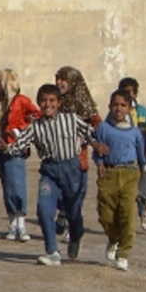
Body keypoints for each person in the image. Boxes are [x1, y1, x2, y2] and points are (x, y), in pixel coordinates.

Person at [2, 83, 95, 266]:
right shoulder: (35, 127)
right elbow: (19, 146)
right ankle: (52, 251)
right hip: (50, 172)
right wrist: (6, 148)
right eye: (43, 101)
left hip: (71, 170)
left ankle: (76, 235)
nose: (47, 105)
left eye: (52, 100)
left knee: (73, 211)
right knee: (44, 209)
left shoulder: (71, 120)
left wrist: (99, 146)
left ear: (59, 103)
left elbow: (89, 134)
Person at [94, 89, 146, 272]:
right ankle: (113, 238)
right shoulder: (103, 128)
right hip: (109, 174)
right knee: (105, 214)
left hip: (130, 174)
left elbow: (141, 157)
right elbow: (97, 150)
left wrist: (143, 175)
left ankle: (123, 253)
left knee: (127, 214)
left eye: (123, 105)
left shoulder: (135, 132)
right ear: (109, 106)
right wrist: (99, 161)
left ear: (129, 108)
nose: (119, 108)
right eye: (115, 104)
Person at [0, 69, 40, 242]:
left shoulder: (22, 101)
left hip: (16, 148)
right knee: (7, 186)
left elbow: (37, 116)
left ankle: (21, 223)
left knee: (17, 184)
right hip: (0, 149)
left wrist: (20, 130)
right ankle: (12, 222)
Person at [54, 65, 101, 239]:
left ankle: (72, 229)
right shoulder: (54, 102)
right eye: (57, 78)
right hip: (57, 156)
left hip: (78, 157)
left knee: (77, 193)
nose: (59, 83)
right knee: (58, 191)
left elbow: (97, 124)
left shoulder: (84, 104)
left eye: (63, 79)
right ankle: (62, 213)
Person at [118, 76, 146, 231]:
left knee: (140, 188)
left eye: (130, 92)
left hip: (140, 158)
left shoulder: (142, 112)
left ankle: (143, 208)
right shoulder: (116, 112)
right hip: (122, 158)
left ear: (135, 94)